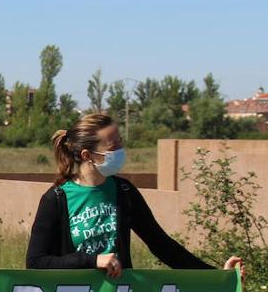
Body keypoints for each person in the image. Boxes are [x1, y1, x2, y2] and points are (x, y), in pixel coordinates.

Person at [26, 112, 242, 275]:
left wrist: (216, 276)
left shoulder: (124, 192)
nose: (120, 151)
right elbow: (36, 262)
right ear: (87, 155)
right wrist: (92, 261)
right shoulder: (55, 199)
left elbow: (162, 245)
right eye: (113, 147)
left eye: (121, 143)